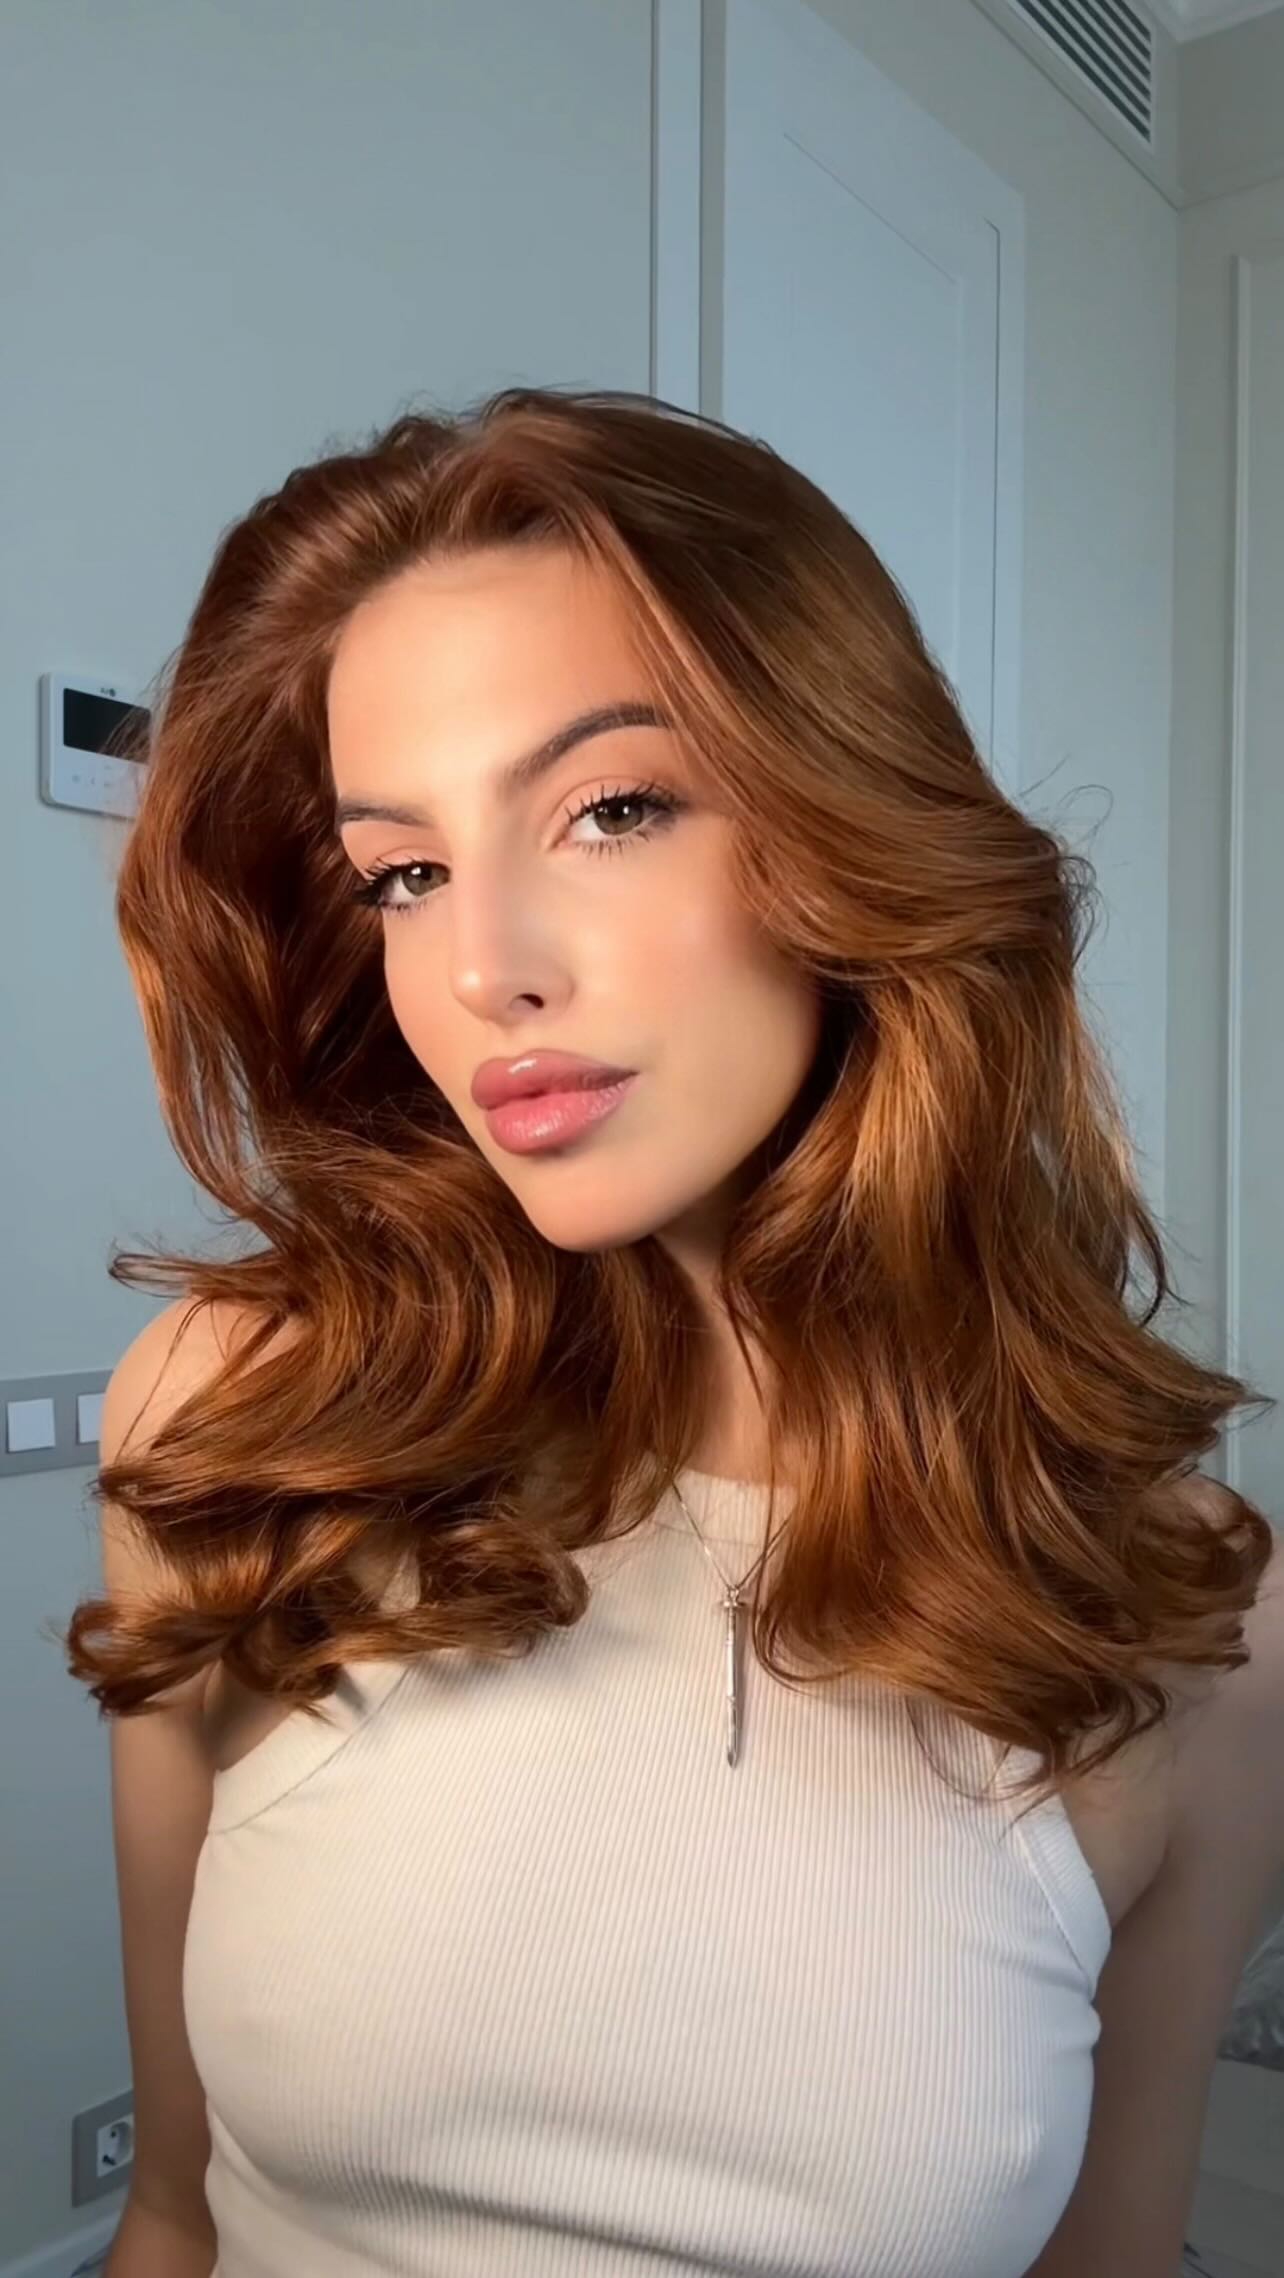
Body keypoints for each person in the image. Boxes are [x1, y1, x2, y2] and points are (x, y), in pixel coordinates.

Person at [61, 386, 1284, 2278]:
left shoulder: (1188, 1617)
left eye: (611, 809)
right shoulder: (242, 1423)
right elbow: (171, 2214)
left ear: (843, 821)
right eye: (405, 871)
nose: (485, 966)